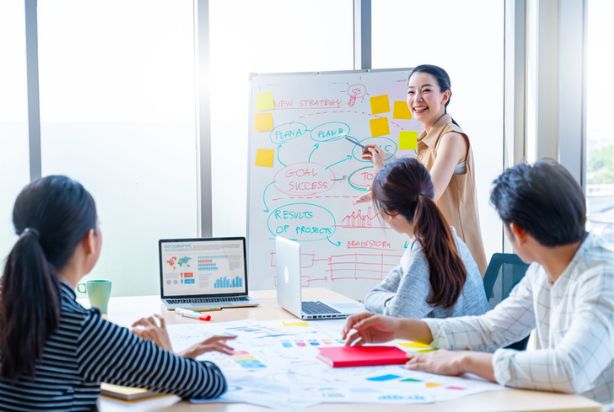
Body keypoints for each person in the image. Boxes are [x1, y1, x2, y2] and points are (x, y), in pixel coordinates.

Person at [343, 160, 614, 409]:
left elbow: (568, 370)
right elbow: (491, 328)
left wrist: (464, 360)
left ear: (517, 232)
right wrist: (399, 327)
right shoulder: (543, 270)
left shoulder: (602, 278)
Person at [0, 175, 234, 411]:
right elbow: (210, 381)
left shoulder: (10, 310)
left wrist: (168, 363)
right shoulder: (81, 329)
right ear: (89, 240)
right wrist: (169, 361)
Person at [357, 64, 487, 274]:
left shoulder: (451, 138)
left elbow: (426, 197)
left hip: (459, 260)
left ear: (445, 96)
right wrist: (381, 173)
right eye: (411, 91)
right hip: (438, 253)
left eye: (426, 90)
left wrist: (382, 187)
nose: (416, 98)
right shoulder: (427, 139)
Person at [364, 157, 488, 319]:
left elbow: (401, 314)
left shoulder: (423, 252)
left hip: (455, 344)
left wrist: (397, 302)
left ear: (391, 213)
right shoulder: (445, 236)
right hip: (466, 340)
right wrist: (396, 300)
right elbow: (374, 296)